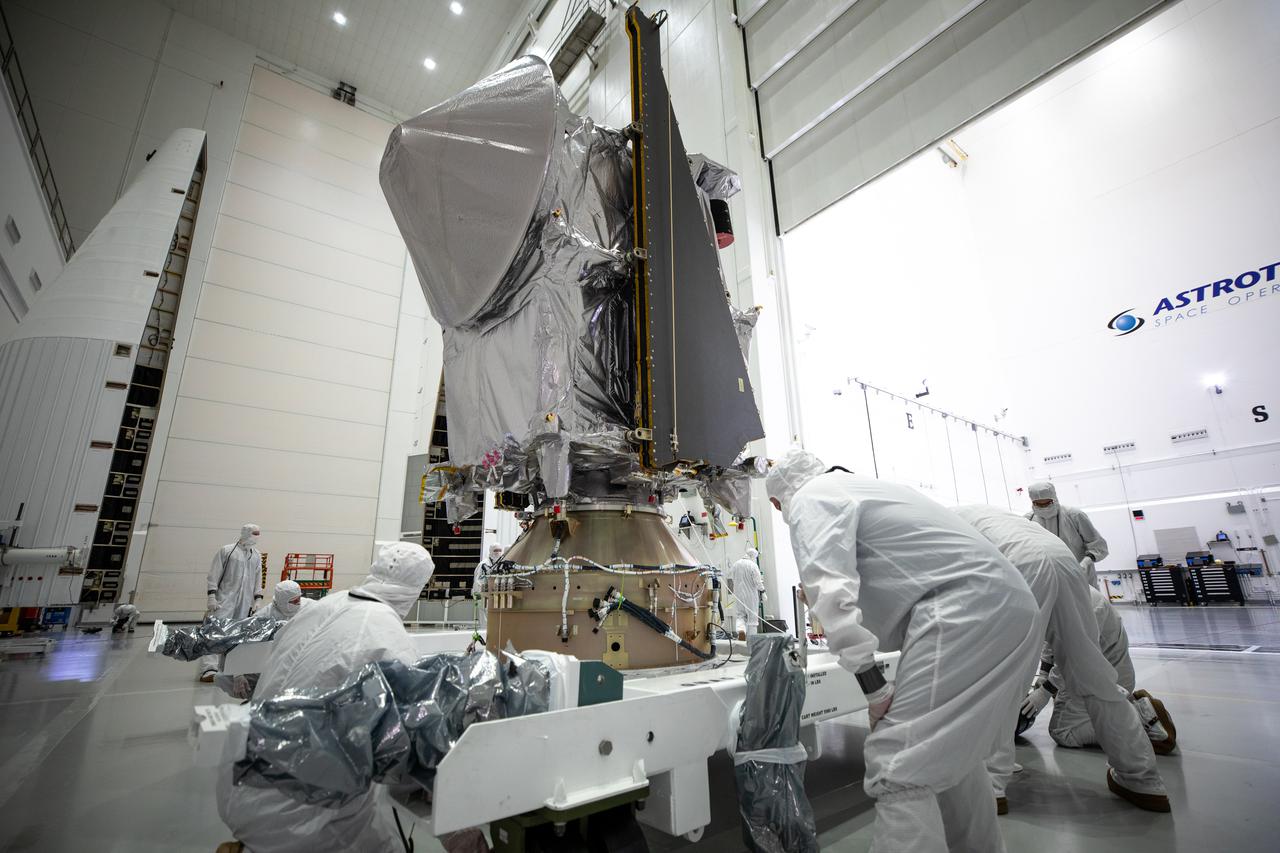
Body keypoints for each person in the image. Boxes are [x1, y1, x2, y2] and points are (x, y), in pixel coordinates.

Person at [766, 450, 1040, 853]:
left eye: (776, 506)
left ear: (779, 498)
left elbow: (830, 591)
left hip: (963, 610)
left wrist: (872, 686)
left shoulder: (812, 497)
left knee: (898, 761)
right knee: (950, 754)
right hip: (1009, 606)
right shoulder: (863, 488)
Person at [217, 542, 436, 853]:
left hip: (237, 779)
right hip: (301, 815)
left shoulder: (322, 606)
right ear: (416, 589)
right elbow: (405, 746)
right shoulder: (387, 636)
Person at [954, 505, 1171, 814]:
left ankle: (989, 785)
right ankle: (1142, 780)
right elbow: (1053, 640)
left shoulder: (940, 525)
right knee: (1095, 679)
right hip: (1064, 561)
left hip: (1018, 565)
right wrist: (1043, 680)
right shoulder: (994, 518)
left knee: (1000, 676)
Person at [1030, 585, 1177, 756]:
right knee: (1067, 707)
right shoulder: (1064, 592)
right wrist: (1044, 672)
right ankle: (1123, 706)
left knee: (1063, 731)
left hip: (1106, 677)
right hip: (1090, 672)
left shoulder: (1088, 606)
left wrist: (1045, 691)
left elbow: (1075, 655)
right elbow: (1052, 635)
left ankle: (1140, 717)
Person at [217, 580, 310, 701]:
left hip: (296, 663)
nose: (298, 603)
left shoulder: (307, 608)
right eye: (294, 601)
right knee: (222, 678)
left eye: (299, 599)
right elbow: (237, 644)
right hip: (267, 666)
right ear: (281, 601)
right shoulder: (262, 618)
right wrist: (238, 674)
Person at [201, 524, 265, 683]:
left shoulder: (256, 555)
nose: (256, 537)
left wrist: (257, 599)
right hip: (224, 600)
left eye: (258, 534)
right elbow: (214, 575)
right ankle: (209, 668)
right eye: (253, 533)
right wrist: (211, 596)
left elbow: (258, 580)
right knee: (215, 632)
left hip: (244, 603)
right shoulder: (227, 551)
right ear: (245, 533)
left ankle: (230, 668)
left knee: (237, 636)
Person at [1026, 482, 1108, 586]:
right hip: (1050, 579)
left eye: (1047, 503)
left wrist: (1085, 563)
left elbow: (1098, 546)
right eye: (1038, 504)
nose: (1043, 508)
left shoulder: (1074, 515)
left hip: (1081, 576)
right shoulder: (1028, 520)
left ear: (1054, 499)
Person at [727, 547, 766, 640]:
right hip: (750, 596)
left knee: (740, 616)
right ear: (753, 556)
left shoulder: (736, 564)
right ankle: (752, 640)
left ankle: (741, 631)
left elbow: (731, 578)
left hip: (738, 595)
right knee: (752, 619)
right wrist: (763, 591)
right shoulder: (753, 565)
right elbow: (757, 582)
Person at [472, 544, 504, 629]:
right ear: (490, 551)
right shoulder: (484, 564)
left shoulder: (499, 563)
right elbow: (478, 582)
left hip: (492, 595)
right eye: (495, 550)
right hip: (482, 595)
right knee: (484, 618)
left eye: (500, 550)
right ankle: (485, 634)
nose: (498, 553)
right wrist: (483, 594)